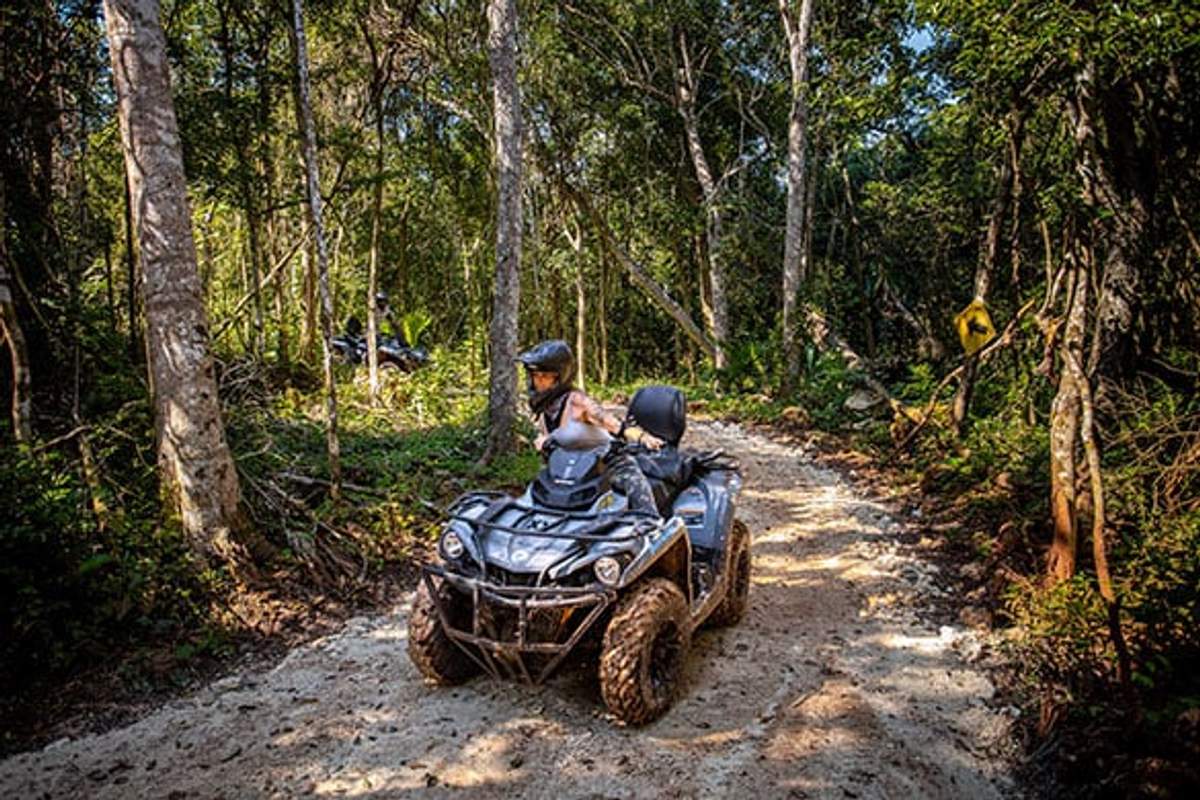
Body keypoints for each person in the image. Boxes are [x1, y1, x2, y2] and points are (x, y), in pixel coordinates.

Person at [516, 339, 663, 515]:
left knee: (636, 486)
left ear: (560, 377)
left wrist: (644, 438)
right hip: (569, 472)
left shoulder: (578, 402)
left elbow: (614, 424)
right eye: (536, 376)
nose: (539, 382)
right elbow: (543, 439)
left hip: (608, 463)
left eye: (545, 376)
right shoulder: (542, 409)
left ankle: (652, 523)